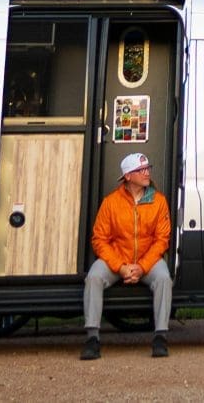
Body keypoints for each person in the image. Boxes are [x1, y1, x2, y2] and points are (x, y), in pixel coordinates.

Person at [82, 152, 173, 360]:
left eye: (147, 168)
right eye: (141, 170)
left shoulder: (158, 201)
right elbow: (99, 239)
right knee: (94, 277)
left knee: (163, 279)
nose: (146, 172)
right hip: (118, 259)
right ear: (128, 176)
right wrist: (121, 267)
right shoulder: (111, 202)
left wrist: (141, 267)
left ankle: (160, 337)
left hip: (147, 260)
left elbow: (162, 239)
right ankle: (92, 338)